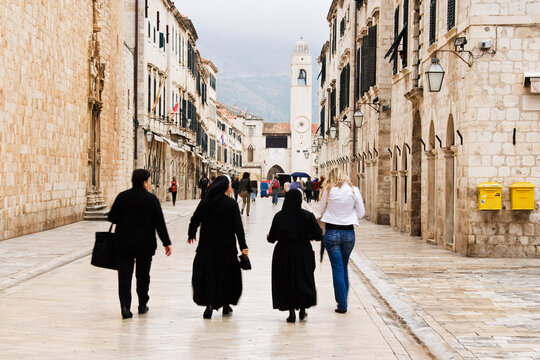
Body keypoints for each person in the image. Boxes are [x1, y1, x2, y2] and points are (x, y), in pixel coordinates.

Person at [108, 169, 172, 319]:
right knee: (143, 276)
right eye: (149, 180)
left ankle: (125, 307)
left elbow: (112, 217)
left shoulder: (122, 197)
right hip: (145, 244)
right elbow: (159, 223)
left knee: (124, 276)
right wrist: (166, 243)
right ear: (145, 182)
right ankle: (142, 304)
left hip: (123, 243)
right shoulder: (151, 199)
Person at [188, 175, 249, 319]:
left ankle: (209, 304)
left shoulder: (206, 202)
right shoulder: (231, 204)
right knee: (226, 276)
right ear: (224, 187)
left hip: (207, 246)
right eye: (228, 185)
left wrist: (191, 234)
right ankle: (226, 304)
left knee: (209, 275)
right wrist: (243, 247)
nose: (230, 188)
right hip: (226, 248)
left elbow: (195, 218)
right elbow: (238, 228)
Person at [267, 190, 322, 323]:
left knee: (286, 280)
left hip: (283, 253)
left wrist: (270, 237)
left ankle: (291, 312)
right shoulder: (308, 216)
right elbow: (318, 234)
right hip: (303, 252)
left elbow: (272, 238)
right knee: (303, 279)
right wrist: (310, 236)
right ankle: (302, 309)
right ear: (300, 200)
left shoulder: (279, 216)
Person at [318, 168, 365, 314]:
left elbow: (321, 208)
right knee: (343, 266)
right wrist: (349, 213)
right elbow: (361, 213)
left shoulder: (328, 189)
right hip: (349, 233)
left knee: (337, 268)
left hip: (331, 232)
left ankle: (342, 304)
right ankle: (343, 300)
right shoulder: (353, 190)